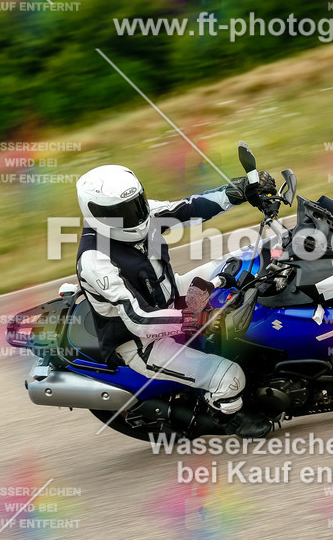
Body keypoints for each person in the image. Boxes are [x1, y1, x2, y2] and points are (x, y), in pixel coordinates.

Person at [74, 164, 276, 438]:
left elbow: (191, 208)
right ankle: (226, 418)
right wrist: (196, 320)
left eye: (136, 205)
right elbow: (139, 319)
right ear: (97, 215)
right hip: (144, 342)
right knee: (231, 378)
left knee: (242, 261)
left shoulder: (145, 216)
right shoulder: (95, 259)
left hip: (172, 296)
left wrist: (239, 190)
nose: (134, 215)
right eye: (121, 213)